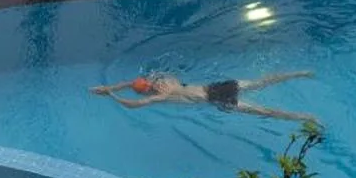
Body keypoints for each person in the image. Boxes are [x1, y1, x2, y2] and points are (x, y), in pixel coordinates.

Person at [90, 71, 319, 125]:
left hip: (217, 90)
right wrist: (110, 91)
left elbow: (133, 89)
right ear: (149, 87)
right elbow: (133, 105)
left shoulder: (164, 88)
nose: (154, 82)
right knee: (264, 110)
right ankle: (305, 116)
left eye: (150, 81)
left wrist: (111, 89)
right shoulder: (166, 86)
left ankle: (299, 73)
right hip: (218, 96)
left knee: (261, 83)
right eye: (150, 84)